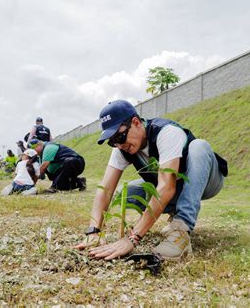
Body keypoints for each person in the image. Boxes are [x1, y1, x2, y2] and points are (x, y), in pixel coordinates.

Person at [74, 100, 228, 260]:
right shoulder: (122, 147)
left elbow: (166, 187)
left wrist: (132, 238)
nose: (118, 145)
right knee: (126, 192)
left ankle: (181, 229)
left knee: (199, 146)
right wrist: (93, 231)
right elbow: (105, 189)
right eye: (112, 141)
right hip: (174, 188)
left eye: (119, 137)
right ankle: (175, 209)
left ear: (136, 122)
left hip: (206, 181)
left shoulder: (166, 132)